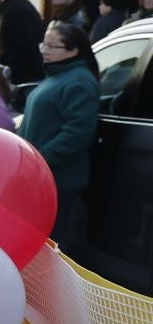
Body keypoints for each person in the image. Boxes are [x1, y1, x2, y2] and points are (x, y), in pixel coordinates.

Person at [20, 21, 102, 252]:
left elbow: (77, 132)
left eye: (53, 46)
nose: (45, 50)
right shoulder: (59, 75)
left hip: (59, 179)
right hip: (41, 175)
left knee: (53, 246)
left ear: (73, 50)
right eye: (44, 44)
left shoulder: (79, 81)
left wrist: (41, 158)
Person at [0, 0, 46, 88]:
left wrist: (6, 66)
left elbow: (19, 45)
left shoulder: (14, 10)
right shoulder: (27, 6)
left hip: (21, 75)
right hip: (31, 69)